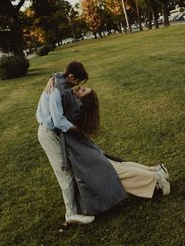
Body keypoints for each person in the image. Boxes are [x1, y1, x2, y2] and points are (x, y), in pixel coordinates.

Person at [46, 77, 171, 217]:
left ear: (83, 101)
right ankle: (155, 171)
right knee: (114, 166)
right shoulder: (75, 104)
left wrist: (54, 84)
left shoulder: (77, 110)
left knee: (113, 171)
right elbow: (64, 83)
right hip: (81, 148)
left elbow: (59, 117)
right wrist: (52, 79)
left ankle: (156, 179)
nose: (78, 88)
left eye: (82, 90)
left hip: (80, 149)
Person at [36, 61, 95, 224]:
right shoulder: (56, 90)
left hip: (53, 133)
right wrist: (76, 128)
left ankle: (77, 205)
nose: (77, 86)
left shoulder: (59, 79)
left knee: (68, 168)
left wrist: (51, 77)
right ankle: (71, 213)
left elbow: (56, 75)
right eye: (77, 82)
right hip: (48, 133)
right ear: (71, 76)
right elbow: (58, 121)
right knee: (64, 172)